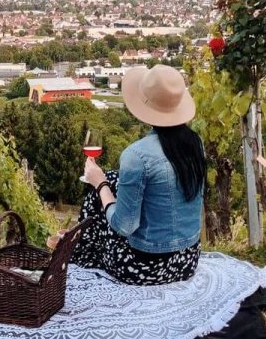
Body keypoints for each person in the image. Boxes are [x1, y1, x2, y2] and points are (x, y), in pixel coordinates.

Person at [71, 64, 206, 285]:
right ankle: (79, 241)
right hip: (187, 259)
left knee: (102, 189)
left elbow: (124, 226)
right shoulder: (195, 143)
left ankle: (80, 248)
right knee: (116, 178)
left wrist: (100, 184)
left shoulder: (136, 155)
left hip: (144, 266)